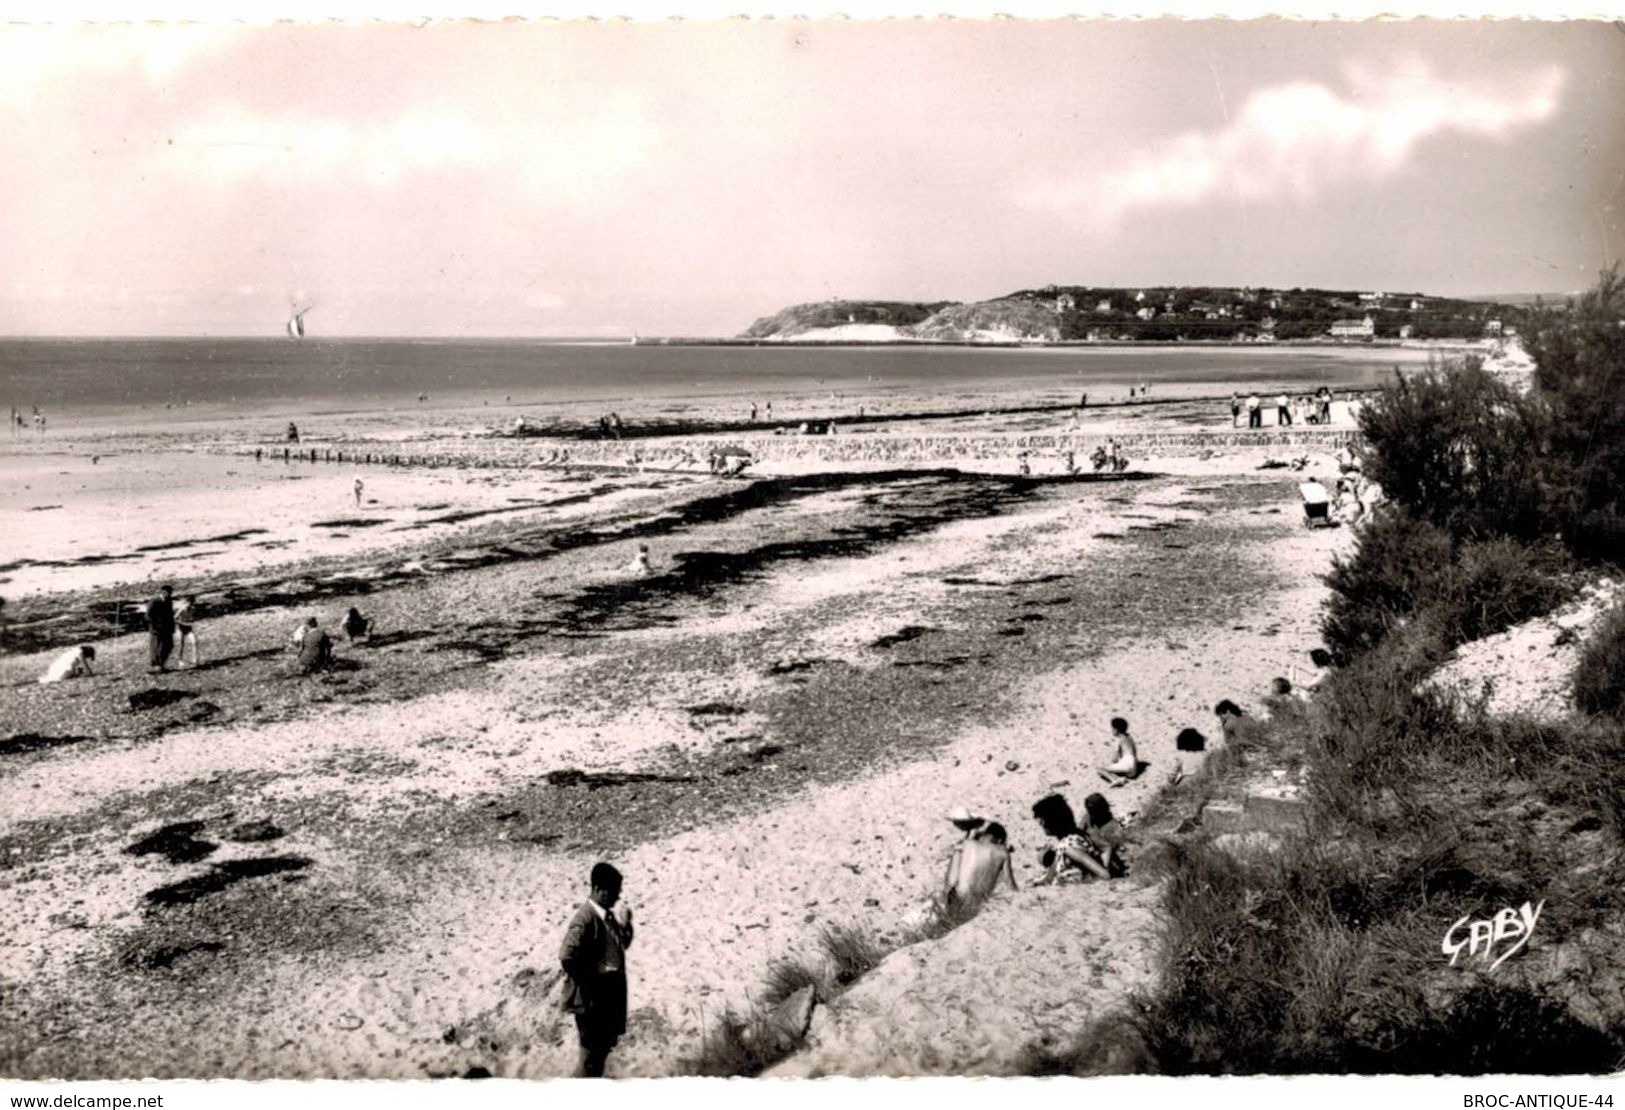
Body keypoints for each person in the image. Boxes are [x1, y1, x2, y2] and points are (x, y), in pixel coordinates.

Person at [559, 862, 634, 1078]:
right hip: (592, 1000)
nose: (617, 897)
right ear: (599, 889)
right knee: (590, 1057)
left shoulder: (606, 916)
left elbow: (621, 944)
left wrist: (627, 924)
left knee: (599, 1054)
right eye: (614, 892)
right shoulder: (585, 918)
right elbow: (566, 955)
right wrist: (590, 981)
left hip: (606, 998)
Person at [1031, 794, 1111, 884]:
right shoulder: (1079, 835)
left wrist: (1094, 879)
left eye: (1042, 821)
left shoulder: (1069, 848)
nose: (1040, 825)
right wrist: (1104, 864)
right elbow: (1106, 847)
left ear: (1051, 822)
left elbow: (1105, 875)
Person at [1082, 793, 1130, 878]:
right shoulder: (1087, 818)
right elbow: (1078, 832)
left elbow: (1113, 848)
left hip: (1106, 859)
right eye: (1089, 811)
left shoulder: (1111, 825)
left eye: (1092, 811)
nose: (1090, 814)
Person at [1099, 715, 1143, 787]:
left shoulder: (1119, 740)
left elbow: (1114, 759)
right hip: (1134, 768)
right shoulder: (1129, 738)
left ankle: (1115, 780)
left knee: (1100, 769)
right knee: (1115, 768)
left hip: (1127, 765)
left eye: (1112, 728)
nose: (1111, 730)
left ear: (1116, 730)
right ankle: (1121, 778)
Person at [145, 585, 176, 673]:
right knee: (155, 647)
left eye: (170, 593)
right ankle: (155, 666)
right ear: (163, 592)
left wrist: (172, 627)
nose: (170, 595)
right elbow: (148, 615)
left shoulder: (169, 601)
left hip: (167, 628)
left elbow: (170, 615)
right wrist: (154, 626)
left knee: (168, 646)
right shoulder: (154, 601)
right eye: (168, 593)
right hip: (156, 629)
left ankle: (162, 664)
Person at [175, 595, 200, 668]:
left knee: (194, 642)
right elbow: (174, 618)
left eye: (192, 603)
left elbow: (192, 618)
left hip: (189, 628)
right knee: (181, 645)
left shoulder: (193, 609)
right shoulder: (182, 609)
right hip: (181, 628)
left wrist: (191, 621)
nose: (191, 605)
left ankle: (194, 660)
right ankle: (180, 661)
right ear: (187, 602)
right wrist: (182, 623)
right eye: (190, 603)